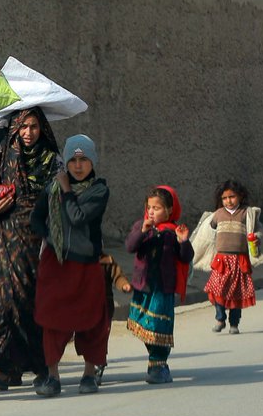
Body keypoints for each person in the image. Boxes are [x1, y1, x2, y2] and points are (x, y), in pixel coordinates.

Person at [0, 107, 62, 391]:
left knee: (34, 303)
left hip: (37, 243)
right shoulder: (2, 158)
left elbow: (59, 202)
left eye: (34, 127)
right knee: (2, 302)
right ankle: (6, 369)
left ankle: (43, 367)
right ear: (15, 128)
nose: (29, 133)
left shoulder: (52, 161)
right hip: (3, 241)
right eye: (24, 127)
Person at [29, 135, 111, 397]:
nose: (78, 166)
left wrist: (66, 189)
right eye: (73, 160)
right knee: (52, 320)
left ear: (93, 161)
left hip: (87, 263)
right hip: (57, 264)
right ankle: (53, 377)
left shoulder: (98, 190)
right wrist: (51, 238)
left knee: (92, 321)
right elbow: (36, 218)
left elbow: (77, 218)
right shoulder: (52, 188)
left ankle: (89, 374)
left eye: (83, 159)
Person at [125, 185, 192, 385]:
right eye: (150, 207)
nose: (152, 211)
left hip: (163, 287)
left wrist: (184, 242)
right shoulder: (141, 227)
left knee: (159, 326)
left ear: (170, 210)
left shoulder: (174, 232)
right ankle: (154, 361)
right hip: (143, 286)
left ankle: (158, 364)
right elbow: (130, 246)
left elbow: (185, 258)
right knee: (145, 325)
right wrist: (142, 232)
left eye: (157, 208)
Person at [196, 180, 260, 334]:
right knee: (218, 290)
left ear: (240, 196)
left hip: (239, 260)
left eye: (232, 197)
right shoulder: (218, 215)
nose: (228, 201)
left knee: (237, 294)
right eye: (224, 198)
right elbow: (207, 234)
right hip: (221, 261)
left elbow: (258, 230)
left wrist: (255, 238)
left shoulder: (247, 213)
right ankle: (220, 318)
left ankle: (234, 324)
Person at [95, 252, 131, 386]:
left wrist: (124, 285)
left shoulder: (107, 261)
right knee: (87, 339)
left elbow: (118, 276)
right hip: (85, 307)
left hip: (105, 307)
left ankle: (98, 367)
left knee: (101, 337)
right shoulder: (79, 259)